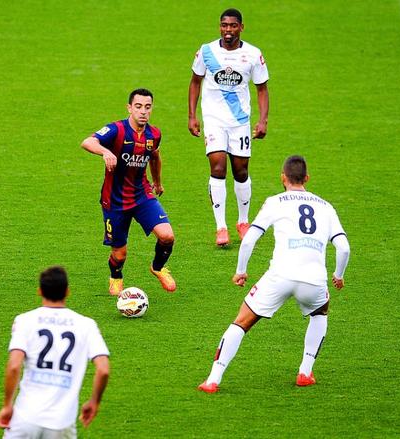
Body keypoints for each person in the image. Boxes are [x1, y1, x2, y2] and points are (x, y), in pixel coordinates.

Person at [197, 155, 350, 393]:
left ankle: (212, 379)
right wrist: (338, 275)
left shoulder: (275, 202)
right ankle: (305, 372)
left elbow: (249, 240)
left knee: (242, 322)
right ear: (307, 178)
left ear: (283, 178)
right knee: (320, 312)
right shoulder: (326, 206)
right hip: (314, 280)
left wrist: (241, 272)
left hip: (280, 276)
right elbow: (344, 248)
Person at [81, 88, 176, 296]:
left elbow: (154, 156)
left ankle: (158, 268)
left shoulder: (154, 134)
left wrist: (157, 182)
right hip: (114, 200)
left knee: (167, 236)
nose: (143, 111)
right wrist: (105, 152)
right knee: (119, 254)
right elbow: (87, 142)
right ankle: (116, 276)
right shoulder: (116, 130)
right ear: (129, 108)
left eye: (147, 107)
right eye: (138, 106)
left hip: (142, 195)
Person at [0, 266, 110, 438]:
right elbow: (103, 370)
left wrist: (7, 405)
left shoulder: (25, 321)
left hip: (25, 418)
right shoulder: (86, 325)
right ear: (67, 291)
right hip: (62, 423)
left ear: (40, 291)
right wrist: (95, 401)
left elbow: (14, 366)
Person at [188, 8, 270, 246]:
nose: (228, 30)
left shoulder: (253, 54)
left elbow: (262, 89)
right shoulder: (206, 51)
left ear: (241, 27)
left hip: (240, 121)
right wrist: (192, 116)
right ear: (220, 27)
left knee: (241, 171)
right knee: (218, 167)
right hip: (214, 119)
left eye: (233, 25)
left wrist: (263, 120)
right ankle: (221, 227)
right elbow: (195, 82)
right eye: (224, 25)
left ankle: (243, 222)